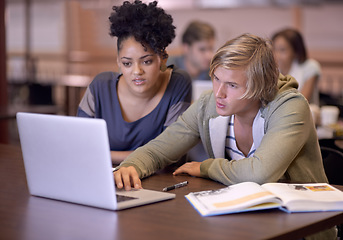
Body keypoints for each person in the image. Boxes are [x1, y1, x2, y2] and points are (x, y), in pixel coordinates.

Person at [114, 33, 336, 239]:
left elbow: (260, 173)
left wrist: (206, 167)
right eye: (216, 78)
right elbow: (158, 149)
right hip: (241, 222)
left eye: (232, 85)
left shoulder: (290, 106)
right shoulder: (209, 104)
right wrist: (131, 166)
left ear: (259, 86)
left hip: (302, 227)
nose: (219, 92)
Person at [77, 0, 192, 164]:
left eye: (147, 61)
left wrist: (105, 156)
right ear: (118, 61)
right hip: (107, 181)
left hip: (159, 185)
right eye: (127, 63)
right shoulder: (100, 87)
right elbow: (80, 147)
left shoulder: (178, 83)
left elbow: (170, 154)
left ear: (163, 58)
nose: (137, 71)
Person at [272, 28, 321, 105]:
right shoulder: (272, 70)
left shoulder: (310, 67)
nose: (276, 55)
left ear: (296, 51)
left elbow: (302, 101)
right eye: (274, 49)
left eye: (282, 50)